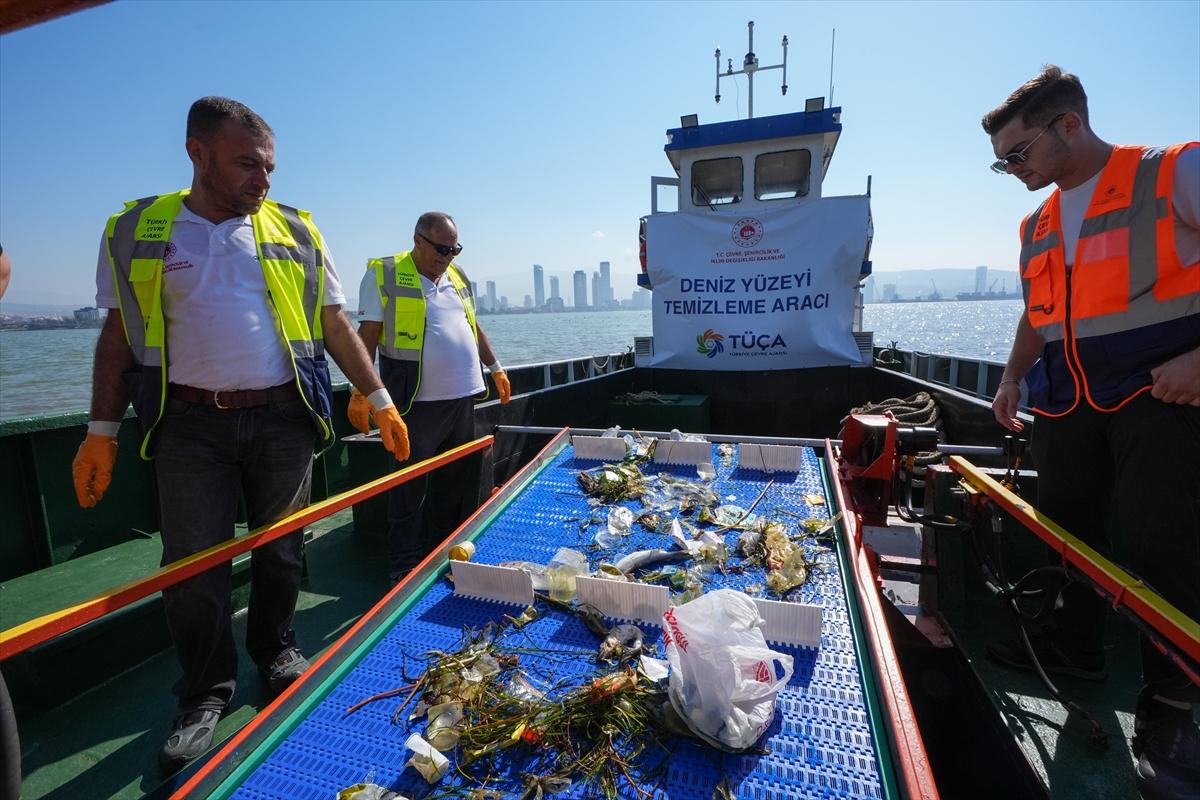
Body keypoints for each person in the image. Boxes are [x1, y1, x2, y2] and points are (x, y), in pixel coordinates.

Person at [69, 96, 410, 773]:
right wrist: (101, 431)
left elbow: (335, 323)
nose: (263, 180)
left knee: (284, 547)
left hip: (284, 414)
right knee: (193, 563)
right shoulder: (138, 228)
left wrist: (378, 396)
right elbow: (118, 336)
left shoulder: (296, 230)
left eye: (270, 168)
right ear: (197, 154)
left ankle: (276, 648)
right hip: (188, 423)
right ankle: (203, 692)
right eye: (247, 165)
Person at [983, 65, 1199, 800]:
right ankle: (1073, 647)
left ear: (1068, 125)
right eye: (1003, 161)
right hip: (1068, 402)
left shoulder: (1173, 174)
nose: (1012, 171)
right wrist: (1013, 378)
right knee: (1064, 527)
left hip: (1160, 397)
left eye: (1018, 155)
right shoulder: (1036, 224)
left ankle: (1174, 715)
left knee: (1157, 544)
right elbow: (1037, 312)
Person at [350, 212, 511, 585]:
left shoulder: (457, 276)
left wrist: (496, 366)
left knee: (453, 482)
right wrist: (362, 391)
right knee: (409, 484)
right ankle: (404, 565)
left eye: (454, 249)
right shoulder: (384, 274)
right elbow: (368, 335)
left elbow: (473, 326)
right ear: (418, 240)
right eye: (440, 248)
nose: (447, 257)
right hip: (416, 404)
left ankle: (442, 552)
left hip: (462, 399)